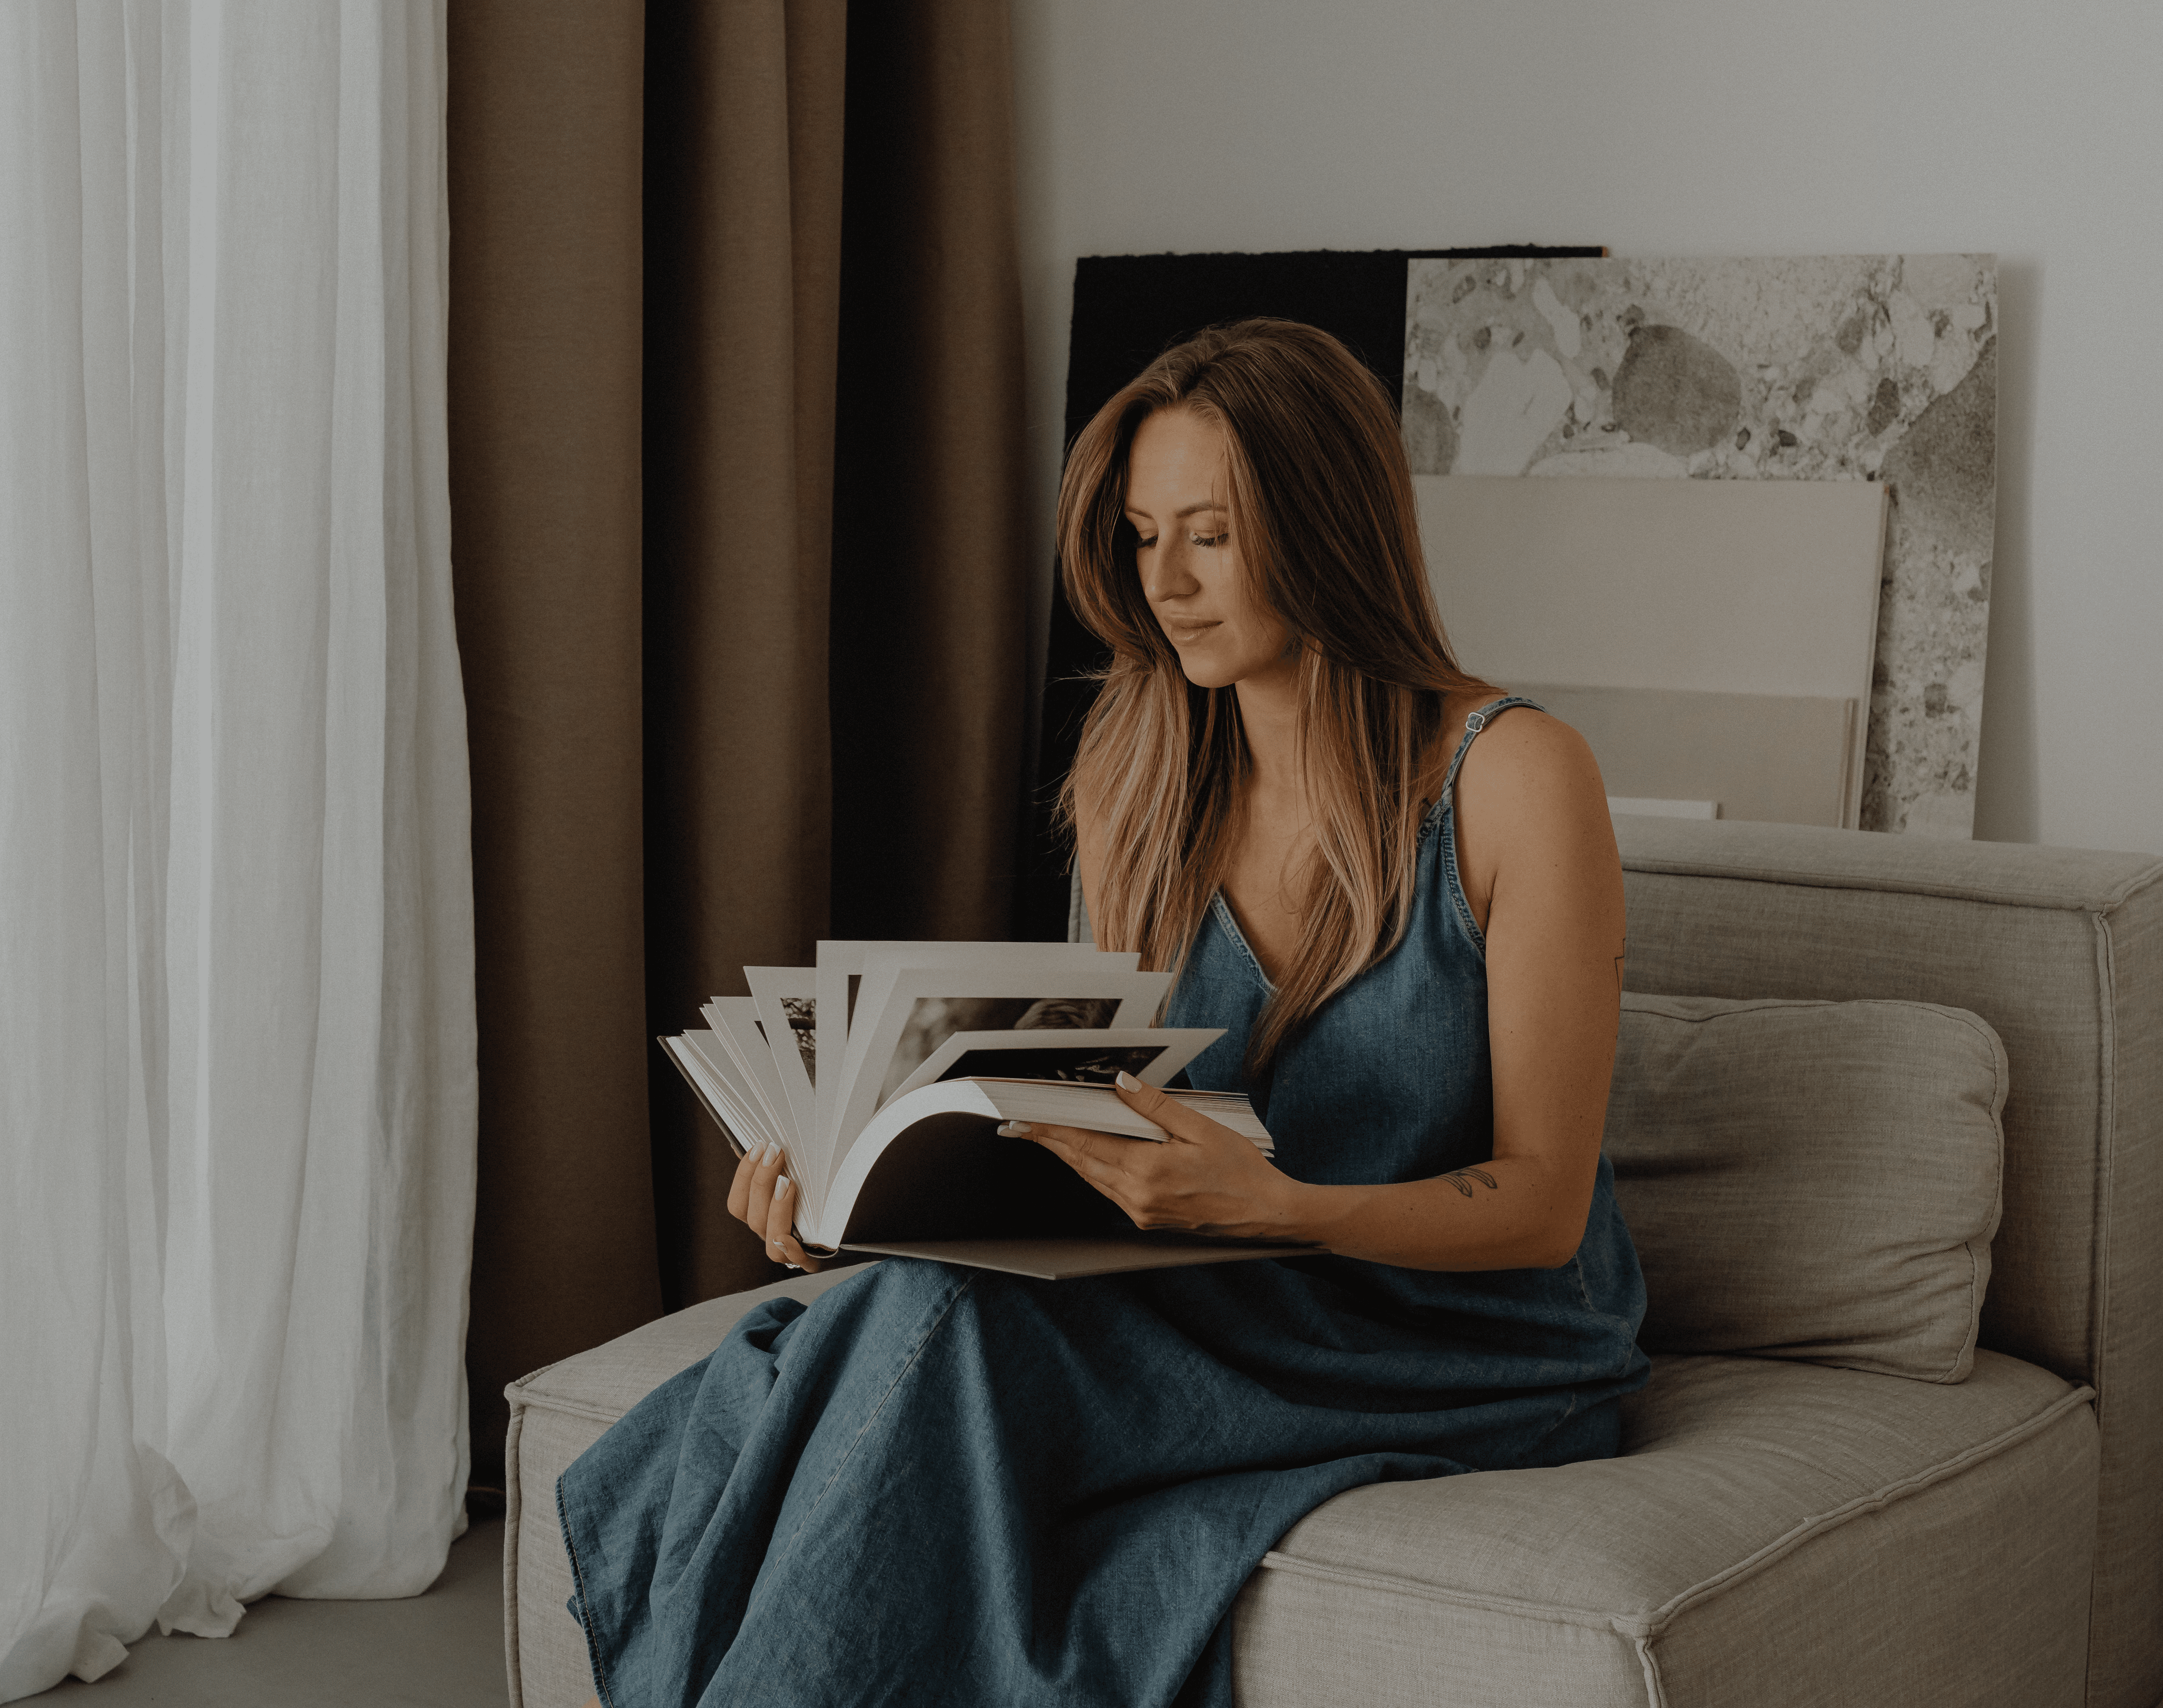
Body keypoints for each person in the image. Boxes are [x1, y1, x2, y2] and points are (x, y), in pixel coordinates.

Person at [556, 319, 1648, 1708]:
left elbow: (1541, 1208)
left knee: (942, 1346)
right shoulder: (1138, 773)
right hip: (1204, 1289)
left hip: (1455, 1333)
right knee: (902, 1303)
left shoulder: (1514, 776)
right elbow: (1095, 1119)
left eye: (1210, 535)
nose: (1168, 586)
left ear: (1323, 528)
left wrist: (1273, 1208)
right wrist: (858, 1201)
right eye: (1141, 538)